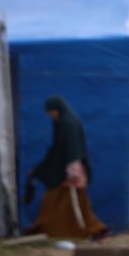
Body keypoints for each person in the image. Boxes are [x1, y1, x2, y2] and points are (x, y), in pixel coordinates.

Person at [28, 96, 106, 239]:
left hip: (70, 172)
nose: (51, 115)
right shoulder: (64, 123)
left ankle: (90, 230)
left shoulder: (68, 124)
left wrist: (73, 168)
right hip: (65, 171)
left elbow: (72, 147)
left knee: (69, 203)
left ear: (57, 110)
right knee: (61, 202)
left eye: (52, 112)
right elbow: (58, 149)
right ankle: (89, 229)